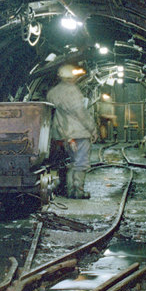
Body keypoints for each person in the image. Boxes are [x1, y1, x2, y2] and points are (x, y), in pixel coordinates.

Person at [47, 63, 95, 198]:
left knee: (73, 162)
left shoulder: (52, 93)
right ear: (71, 78)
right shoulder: (73, 91)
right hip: (78, 132)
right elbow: (81, 113)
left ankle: (70, 191)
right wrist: (92, 128)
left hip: (62, 133)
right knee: (81, 162)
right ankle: (78, 191)